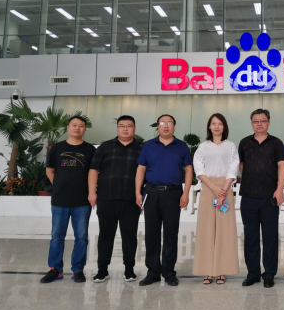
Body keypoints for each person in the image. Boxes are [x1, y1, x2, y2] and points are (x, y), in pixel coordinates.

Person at [135, 114, 193, 287]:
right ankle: (152, 272)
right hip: (152, 192)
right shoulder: (149, 145)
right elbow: (141, 169)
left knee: (171, 233)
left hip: (173, 193)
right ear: (158, 126)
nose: (166, 125)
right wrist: (138, 192)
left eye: (169, 123)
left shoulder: (181, 146)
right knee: (151, 233)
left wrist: (186, 193)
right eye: (162, 123)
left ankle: (169, 272)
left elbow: (188, 170)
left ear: (174, 126)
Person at [40, 116, 96, 284]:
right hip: (60, 200)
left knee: (81, 237)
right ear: (68, 128)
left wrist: (91, 193)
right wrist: (58, 185)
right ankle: (55, 269)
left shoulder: (90, 149)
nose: (77, 128)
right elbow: (50, 170)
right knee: (57, 236)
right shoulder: (57, 148)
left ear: (85, 129)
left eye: (81, 126)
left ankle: (77, 270)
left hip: (82, 201)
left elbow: (93, 173)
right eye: (74, 125)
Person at [88, 115, 143, 283]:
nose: (125, 129)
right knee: (106, 235)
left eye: (129, 126)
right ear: (117, 128)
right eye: (122, 126)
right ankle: (102, 270)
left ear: (134, 128)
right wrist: (92, 192)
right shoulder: (105, 147)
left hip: (131, 200)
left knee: (130, 236)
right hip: (106, 198)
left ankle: (129, 270)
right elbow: (93, 170)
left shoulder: (142, 148)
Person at [239, 109, 284, 289]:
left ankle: (269, 274)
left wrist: (279, 189)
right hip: (248, 197)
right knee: (250, 236)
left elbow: (282, 166)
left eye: (263, 120)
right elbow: (242, 166)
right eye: (256, 121)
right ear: (251, 123)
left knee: (270, 237)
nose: (259, 124)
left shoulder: (276, 143)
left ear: (268, 123)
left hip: (270, 197)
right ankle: (252, 273)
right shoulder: (245, 142)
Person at [193, 113, 240, 285]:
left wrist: (224, 189)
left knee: (225, 231)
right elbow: (199, 168)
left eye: (220, 123)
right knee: (206, 229)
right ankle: (207, 271)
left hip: (225, 187)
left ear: (224, 126)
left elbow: (234, 167)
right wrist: (213, 188)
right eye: (213, 123)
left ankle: (222, 271)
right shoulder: (203, 147)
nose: (217, 126)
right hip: (208, 187)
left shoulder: (230, 146)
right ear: (209, 126)